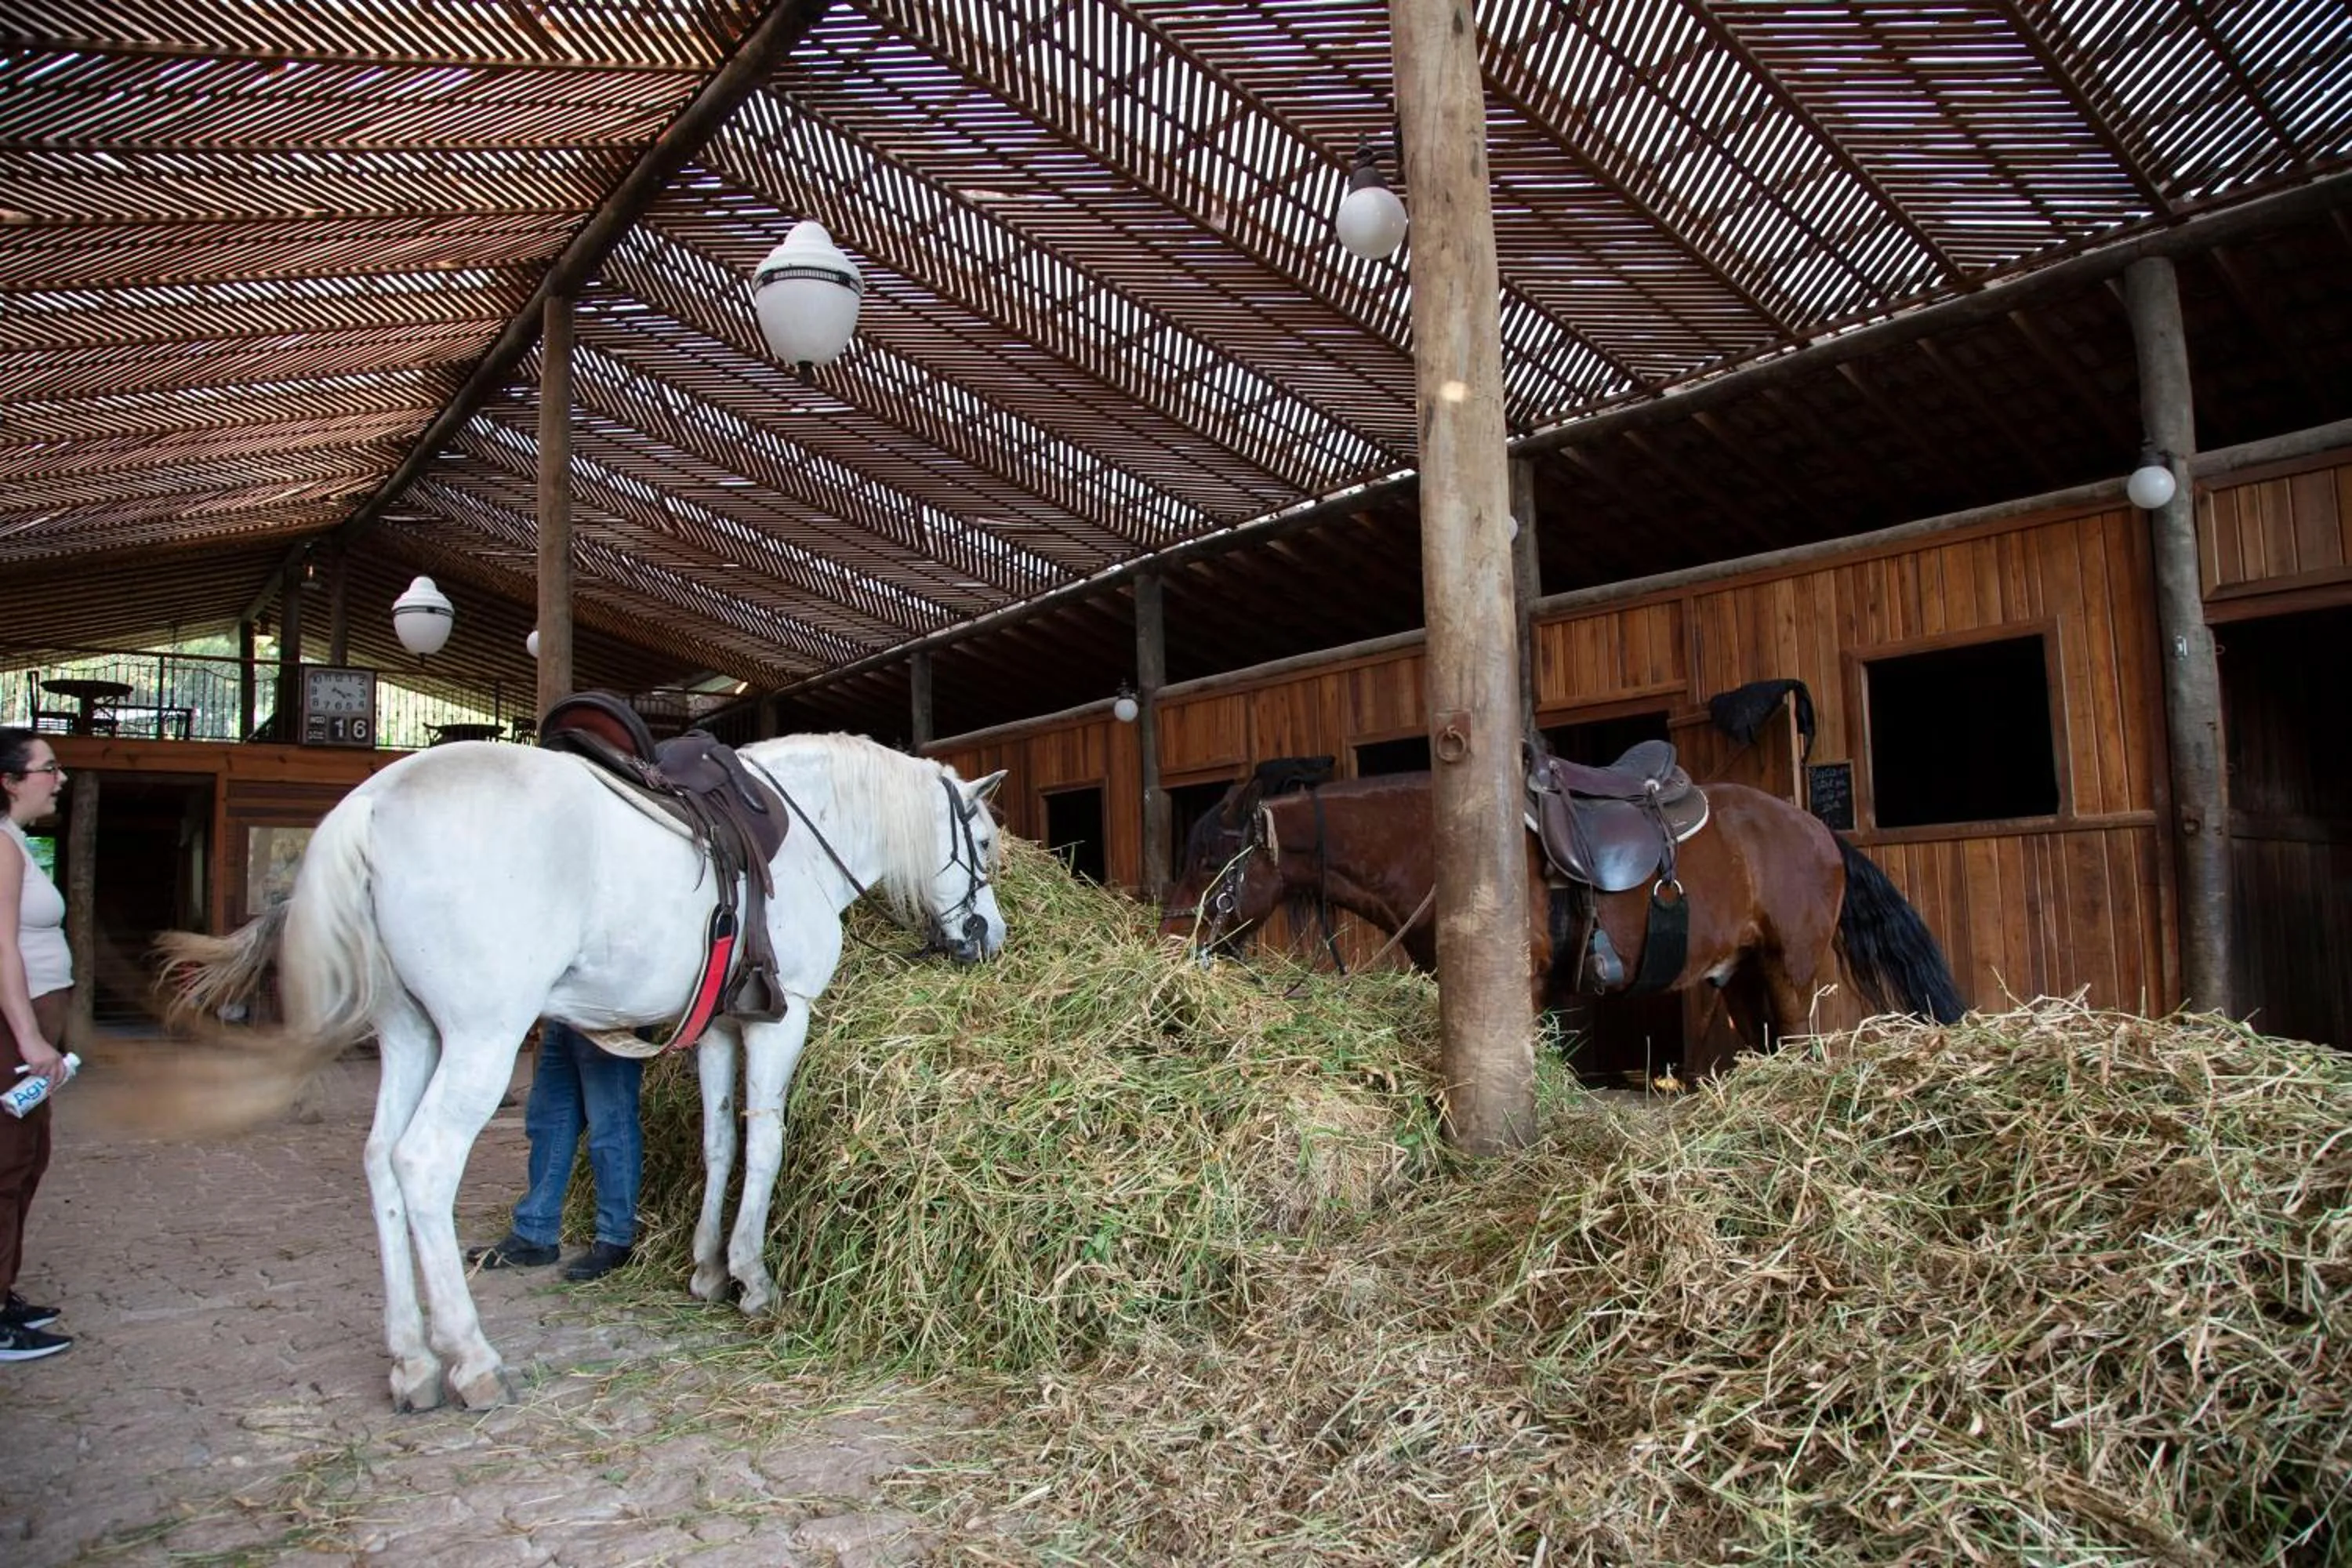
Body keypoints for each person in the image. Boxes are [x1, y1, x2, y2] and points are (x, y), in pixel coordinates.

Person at [0, 729, 74, 1361]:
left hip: (36, 1029)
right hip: (14, 1032)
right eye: (48, 769)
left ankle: (5, 1291)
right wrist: (27, 1035)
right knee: (7, 1161)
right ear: (10, 779)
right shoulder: (0, 846)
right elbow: (0, 946)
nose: (59, 779)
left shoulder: (18, 843)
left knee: (29, 1157)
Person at [468, 1019, 642, 1283]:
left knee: (610, 1125)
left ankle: (615, 1238)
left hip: (607, 1017)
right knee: (548, 1120)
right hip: (564, 1016)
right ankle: (535, 1232)